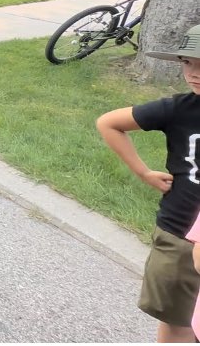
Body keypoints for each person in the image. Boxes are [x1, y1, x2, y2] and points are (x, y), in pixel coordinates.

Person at [96, 24, 200, 343]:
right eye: (187, 61)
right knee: (176, 323)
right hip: (179, 237)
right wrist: (143, 172)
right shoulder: (179, 109)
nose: (193, 72)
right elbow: (109, 123)